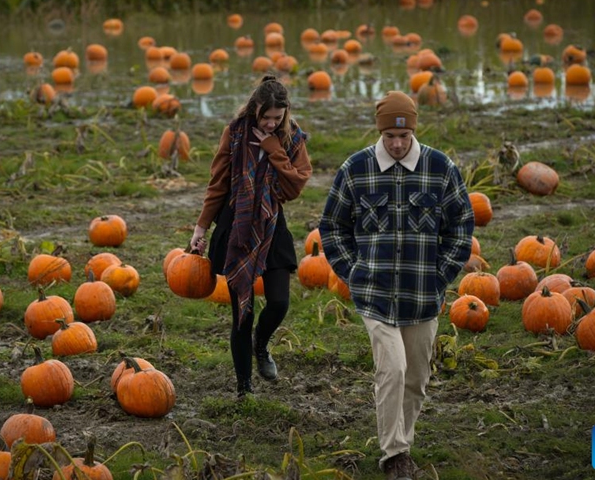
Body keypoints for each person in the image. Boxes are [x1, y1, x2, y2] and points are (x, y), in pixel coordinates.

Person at [318, 91, 474, 479]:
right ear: (381, 132)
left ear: (413, 131)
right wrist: (353, 272)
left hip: (422, 295)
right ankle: (395, 455)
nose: (398, 144)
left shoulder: (441, 168)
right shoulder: (356, 169)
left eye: (404, 137)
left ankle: (402, 437)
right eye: (390, 136)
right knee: (393, 369)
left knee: (417, 378)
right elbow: (332, 227)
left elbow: (461, 226)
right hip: (376, 295)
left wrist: (441, 274)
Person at [189, 75, 312, 398]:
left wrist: (273, 150)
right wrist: (201, 228)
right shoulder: (234, 133)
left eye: (277, 118)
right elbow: (218, 183)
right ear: (255, 109)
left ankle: (261, 344)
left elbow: (294, 187)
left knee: (280, 302)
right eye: (266, 117)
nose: (271, 123)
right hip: (237, 224)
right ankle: (244, 388)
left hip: (271, 223)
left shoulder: (292, 139)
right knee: (241, 313)